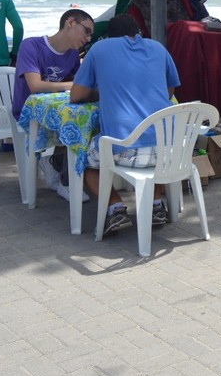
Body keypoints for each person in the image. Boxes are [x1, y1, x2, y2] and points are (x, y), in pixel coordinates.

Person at [70, 14, 181, 236]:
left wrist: (105, 91)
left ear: (110, 37)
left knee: (82, 161)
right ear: (138, 33)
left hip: (126, 150)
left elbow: (76, 95)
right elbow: (169, 92)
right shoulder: (158, 48)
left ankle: (115, 207)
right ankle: (155, 203)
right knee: (156, 145)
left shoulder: (100, 50)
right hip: (172, 151)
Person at [12, 9, 95, 201]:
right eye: (87, 31)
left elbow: (81, 85)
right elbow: (35, 85)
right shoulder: (31, 46)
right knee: (74, 123)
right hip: (29, 113)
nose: (89, 38)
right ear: (70, 22)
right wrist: (72, 85)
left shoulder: (73, 54)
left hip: (57, 111)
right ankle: (66, 181)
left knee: (85, 122)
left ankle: (59, 166)